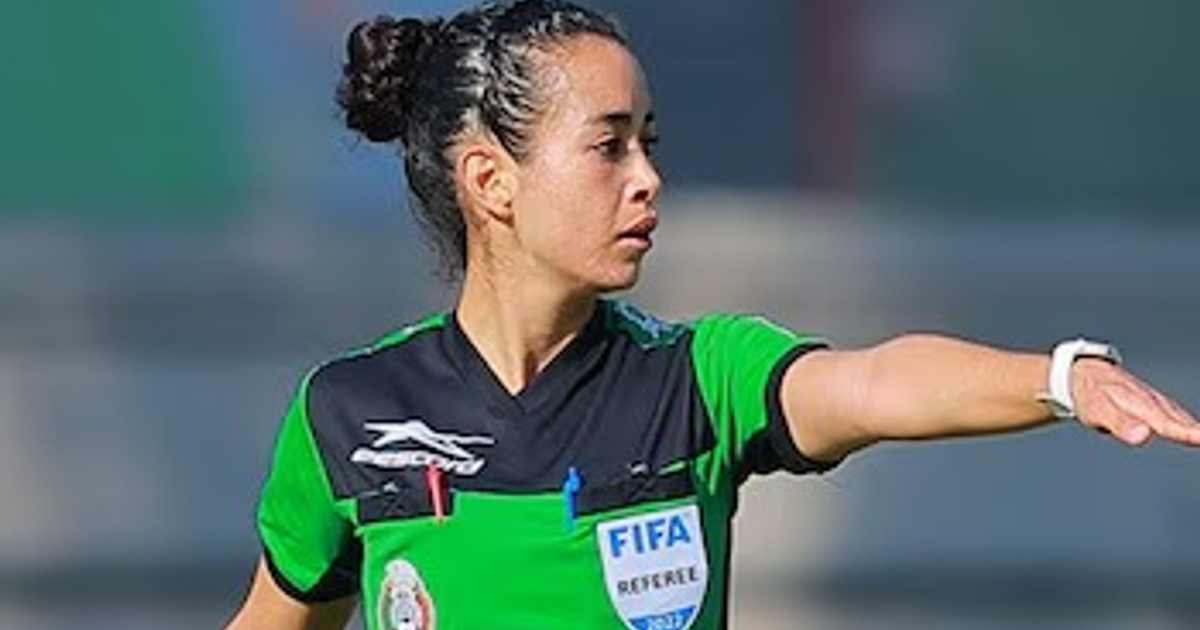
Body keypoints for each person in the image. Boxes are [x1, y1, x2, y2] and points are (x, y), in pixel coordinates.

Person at [223, 1, 1200, 629]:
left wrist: (1061, 378)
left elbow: (874, 382)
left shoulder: (699, 380)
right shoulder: (348, 413)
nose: (649, 180)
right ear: (493, 182)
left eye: (650, 142)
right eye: (610, 147)